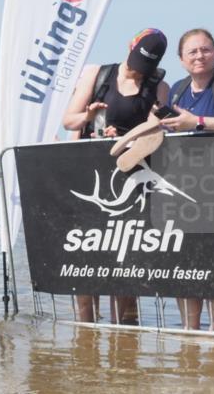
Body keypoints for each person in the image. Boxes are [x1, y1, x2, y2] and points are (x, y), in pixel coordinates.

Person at [62, 28, 170, 324]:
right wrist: (89, 116)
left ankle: (126, 340)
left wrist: (125, 137)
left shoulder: (158, 85)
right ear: (130, 47)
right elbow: (68, 119)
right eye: (137, 62)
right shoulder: (98, 74)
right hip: (90, 173)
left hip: (132, 175)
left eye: (146, 67)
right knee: (85, 260)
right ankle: (85, 333)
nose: (139, 72)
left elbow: (156, 126)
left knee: (126, 262)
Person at [159, 28, 214, 331]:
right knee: (186, 265)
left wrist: (195, 122)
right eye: (192, 52)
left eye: (206, 49)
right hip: (184, 191)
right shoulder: (178, 90)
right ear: (181, 59)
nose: (200, 56)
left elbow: (192, 124)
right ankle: (189, 335)